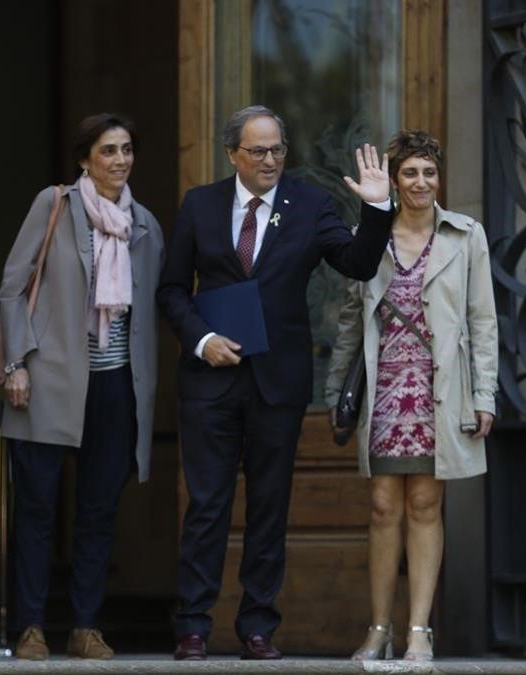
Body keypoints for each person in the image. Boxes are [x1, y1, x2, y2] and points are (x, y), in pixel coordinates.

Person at [157, 105, 394, 661]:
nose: (270, 160)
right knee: (208, 506)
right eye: (258, 151)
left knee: (269, 505)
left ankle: (258, 626)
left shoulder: (310, 206)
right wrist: (200, 339)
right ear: (232, 154)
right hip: (210, 378)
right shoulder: (200, 205)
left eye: (278, 150)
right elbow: (170, 290)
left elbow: (357, 265)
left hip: (277, 382)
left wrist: (378, 206)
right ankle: (192, 625)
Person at [0, 113, 163, 661]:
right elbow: (12, 289)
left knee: (97, 511)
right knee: (38, 509)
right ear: (84, 159)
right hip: (45, 382)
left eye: (127, 149)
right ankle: (30, 627)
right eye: (108, 150)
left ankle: (86, 626)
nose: (120, 160)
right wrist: (16, 362)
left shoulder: (144, 226)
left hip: (115, 388)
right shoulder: (55, 206)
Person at [324, 130, 497, 661]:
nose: (421, 183)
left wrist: (485, 393)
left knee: (425, 503)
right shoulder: (369, 235)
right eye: (410, 174)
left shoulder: (466, 235)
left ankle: (419, 630)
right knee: (381, 506)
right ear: (395, 182)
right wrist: (336, 389)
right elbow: (351, 322)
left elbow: (482, 319)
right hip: (384, 383)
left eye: (429, 172)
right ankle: (379, 628)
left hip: (438, 386)